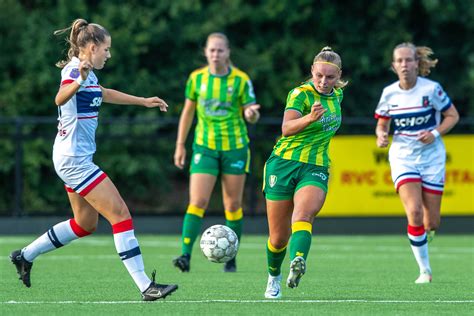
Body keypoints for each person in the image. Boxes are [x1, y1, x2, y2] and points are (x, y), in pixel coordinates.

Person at [9, 18, 178, 301]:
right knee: (121, 215)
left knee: (85, 224)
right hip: (75, 160)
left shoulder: (88, 73)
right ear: (91, 47)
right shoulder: (75, 70)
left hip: (69, 157)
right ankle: (146, 286)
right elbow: (60, 98)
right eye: (106, 49)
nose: (108, 55)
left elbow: (103, 94)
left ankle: (24, 255)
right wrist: (78, 79)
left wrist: (143, 100)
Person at [172, 32, 260, 273]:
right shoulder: (196, 78)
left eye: (220, 50)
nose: (215, 54)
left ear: (228, 52)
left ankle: (231, 257)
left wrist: (252, 114)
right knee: (197, 201)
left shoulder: (241, 80)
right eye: (212, 50)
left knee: (232, 204)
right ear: (206, 52)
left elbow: (251, 112)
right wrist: (180, 144)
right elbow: (188, 113)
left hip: (235, 148)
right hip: (205, 147)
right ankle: (185, 256)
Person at [262, 47, 345, 299]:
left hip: (316, 166)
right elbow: (286, 128)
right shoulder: (300, 94)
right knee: (277, 238)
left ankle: (298, 261)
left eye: (330, 77)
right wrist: (309, 118)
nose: (323, 81)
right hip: (283, 164)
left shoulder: (338, 96)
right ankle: (273, 278)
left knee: (304, 214)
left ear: (338, 76)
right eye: (319, 75)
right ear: (312, 71)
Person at [375, 43, 459, 284]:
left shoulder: (431, 90)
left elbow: (453, 115)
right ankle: (425, 271)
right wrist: (381, 134)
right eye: (399, 61)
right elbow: (382, 123)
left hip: (432, 158)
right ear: (393, 66)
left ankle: (424, 232)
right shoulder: (389, 93)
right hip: (403, 156)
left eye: (408, 60)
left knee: (431, 221)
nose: (404, 64)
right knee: (413, 211)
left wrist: (435, 133)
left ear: (417, 63)